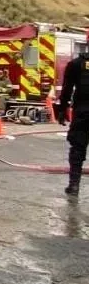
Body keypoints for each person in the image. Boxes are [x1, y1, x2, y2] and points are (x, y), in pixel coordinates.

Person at [58, 40, 89, 195]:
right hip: (82, 111)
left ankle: (74, 185)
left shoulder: (76, 64)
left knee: (77, 148)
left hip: (82, 113)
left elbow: (66, 90)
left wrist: (62, 111)